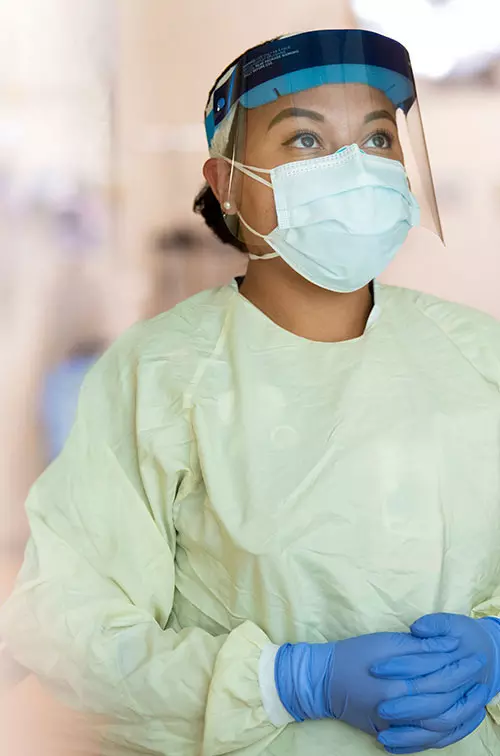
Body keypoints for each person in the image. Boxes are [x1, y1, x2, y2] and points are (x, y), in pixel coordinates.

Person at [1, 29, 500, 756]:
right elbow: (69, 628)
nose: (355, 168)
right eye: (305, 140)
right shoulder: (160, 375)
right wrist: (286, 681)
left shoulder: (480, 354)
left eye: (379, 139)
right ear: (229, 180)